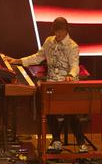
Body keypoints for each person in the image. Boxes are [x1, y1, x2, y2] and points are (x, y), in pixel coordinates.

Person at [18, 16, 89, 152]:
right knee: (48, 110)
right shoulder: (49, 42)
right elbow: (38, 57)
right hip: (51, 83)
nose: (58, 34)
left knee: (71, 113)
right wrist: (19, 61)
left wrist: (70, 75)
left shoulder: (72, 46)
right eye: (56, 31)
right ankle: (56, 140)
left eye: (61, 31)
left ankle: (81, 142)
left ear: (66, 30)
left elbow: (75, 66)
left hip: (66, 84)